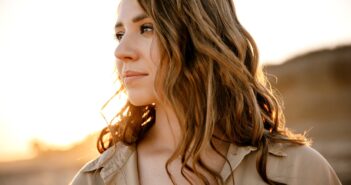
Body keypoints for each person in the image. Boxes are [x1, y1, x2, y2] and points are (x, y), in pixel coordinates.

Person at [70, 0, 341, 184]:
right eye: (120, 34)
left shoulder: (299, 173)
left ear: (200, 34)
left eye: (146, 28)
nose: (121, 51)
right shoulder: (95, 180)